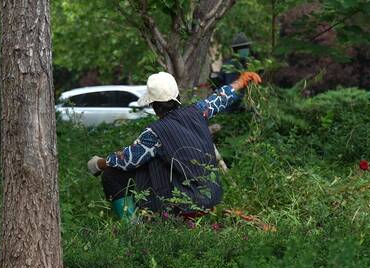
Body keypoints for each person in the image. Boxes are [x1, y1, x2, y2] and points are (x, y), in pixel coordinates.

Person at [87, 71, 261, 221]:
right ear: (178, 97)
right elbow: (219, 99)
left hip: (184, 204)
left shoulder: (154, 133)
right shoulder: (198, 111)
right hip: (212, 196)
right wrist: (241, 81)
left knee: (111, 175)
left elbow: (127, 161)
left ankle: (133, 231)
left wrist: (99, 163)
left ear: (153, 105)